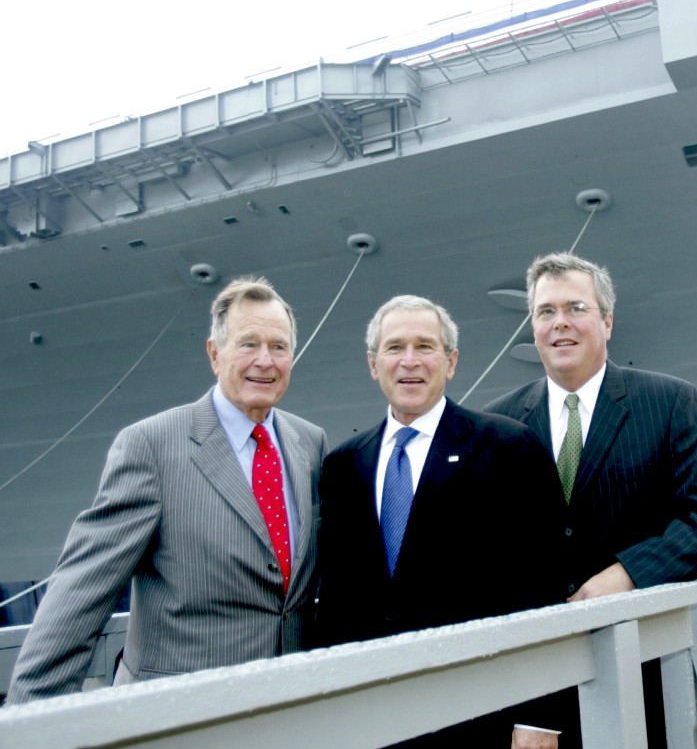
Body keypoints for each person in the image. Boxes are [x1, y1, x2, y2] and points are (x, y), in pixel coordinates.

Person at [6, 277, 328, 704]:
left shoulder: (309, 443)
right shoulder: (151, 446)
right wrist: (28, 718)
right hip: (179, 712)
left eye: (279, 347)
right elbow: (82, 590)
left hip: (288, 709)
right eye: (248, 344)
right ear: (215, 354)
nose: (265, 361)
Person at [485, 252, 697, 746]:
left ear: (606, 321)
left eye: (576, 308)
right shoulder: (500, 424)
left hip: (650, 672)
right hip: (543, 682)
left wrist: (626, 574)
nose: (560, 323)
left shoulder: (668, 403)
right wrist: (526, 714)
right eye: (545, 312)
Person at [316, 295, 565, 748]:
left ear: (450, 362)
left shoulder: (506, 448)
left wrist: (540, 717)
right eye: (394, 348)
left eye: (425, 346)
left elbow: (543, 586)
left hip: (481, 715)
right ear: (373, 364)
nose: (409, 361)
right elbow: (334, 600)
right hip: (372, 717)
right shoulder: (343, 464)